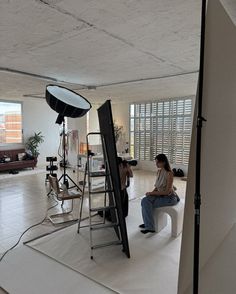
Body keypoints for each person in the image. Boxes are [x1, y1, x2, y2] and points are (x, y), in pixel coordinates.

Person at [140, 154, 180, 234]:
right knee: (145, 200)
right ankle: (148, 224)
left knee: (146, 203)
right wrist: (151, 194)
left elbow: (167, 192)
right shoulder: (159, 171)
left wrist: (152, 193)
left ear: (164, 162)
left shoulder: (169, 173)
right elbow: (157, 187)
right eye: (156, 162)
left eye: (158, 162)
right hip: (161, 196)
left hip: (169, 198)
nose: (156, 164)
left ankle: (149, 226)